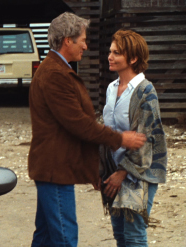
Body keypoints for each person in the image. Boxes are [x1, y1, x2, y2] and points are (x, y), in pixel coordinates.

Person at [28, 12, 147, 247]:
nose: (86, 45)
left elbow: (72, 126)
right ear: (67, 41)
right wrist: (120, 138)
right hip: (55, 171)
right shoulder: (55, 74)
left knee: (44, 237)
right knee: (64, 238)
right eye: (82, 39)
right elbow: (79, 124)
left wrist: (92, 167)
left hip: (52, 169)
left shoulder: (56, 69)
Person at [100, 29, 167, 247]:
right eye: (110, 51)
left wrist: (122, 173)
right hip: (114, 171)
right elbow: (108, 132)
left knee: (134, 235)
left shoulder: (145, 91)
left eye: (116, 53)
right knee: (120, 234)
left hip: (140, 171)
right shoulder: (111, 89)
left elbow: (144, 139)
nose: (110, 56)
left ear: (133, 58)